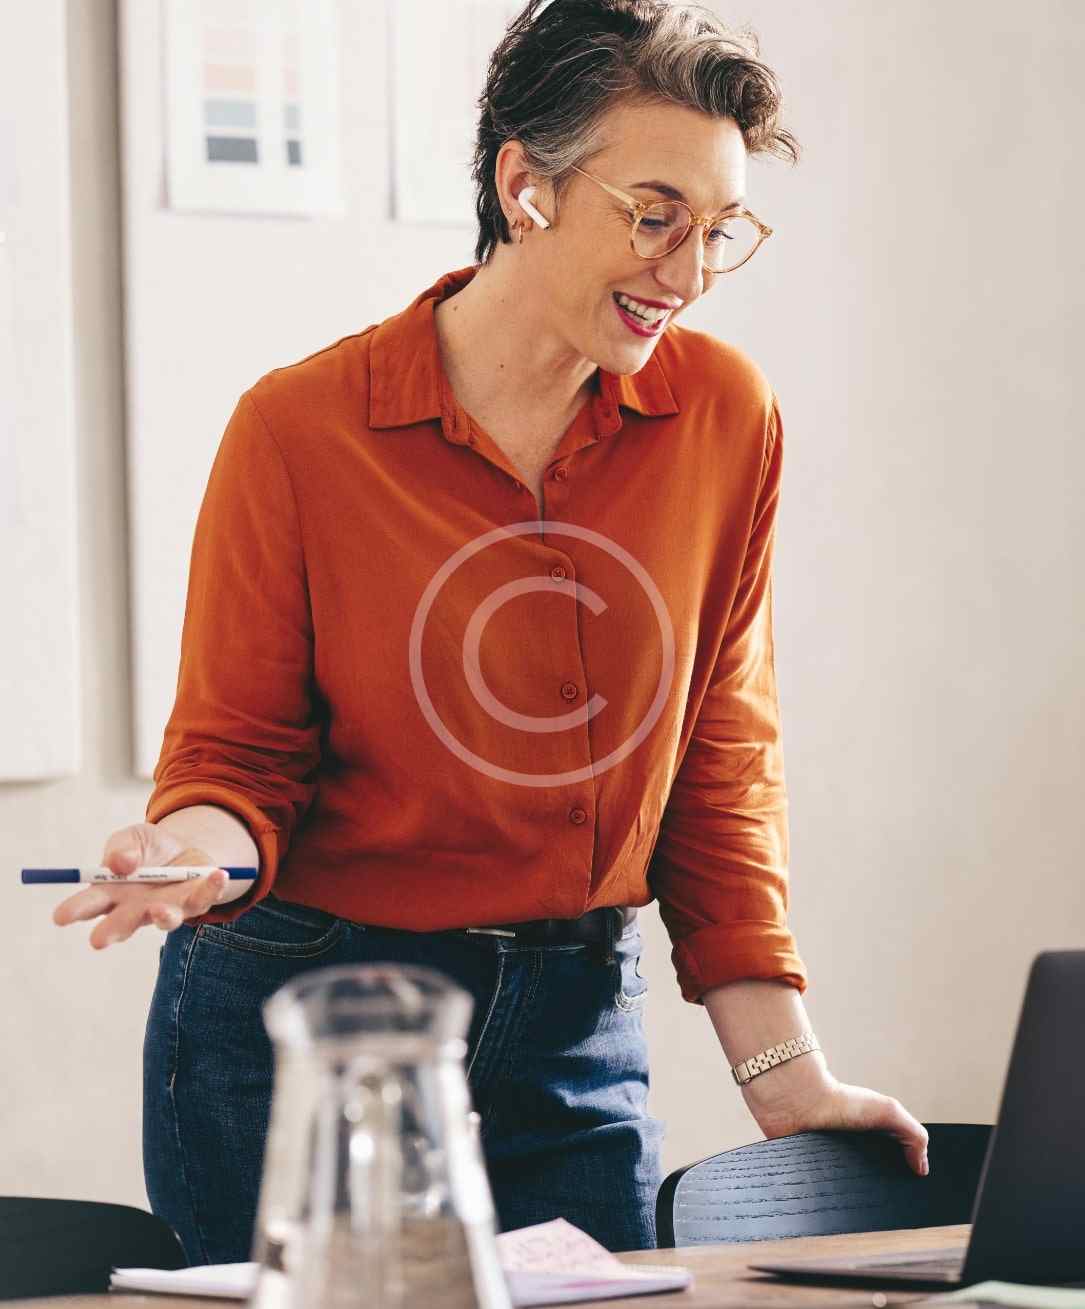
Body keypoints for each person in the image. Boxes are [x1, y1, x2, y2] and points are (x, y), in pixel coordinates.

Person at [53, 0, 928, 1266]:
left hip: (573, 1017)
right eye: (654, 216)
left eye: (718, 230)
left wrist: (786, 1080)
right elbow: (236, 762)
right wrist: (192, 854)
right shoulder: (299, 431)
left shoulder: (724, 418)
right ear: (525, 186)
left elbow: (718, 771)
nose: (687, 274)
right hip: (311, 1025)